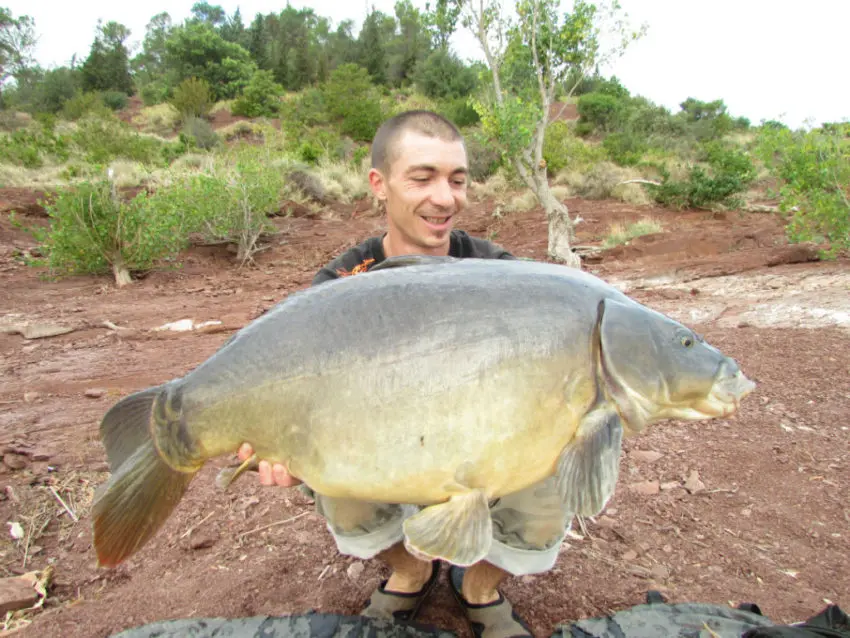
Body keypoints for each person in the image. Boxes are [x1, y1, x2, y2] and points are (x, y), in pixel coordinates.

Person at [237, 110, 574, 638]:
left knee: (564, 453)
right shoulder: (338, 285)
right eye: (423, 178)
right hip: (386, 447)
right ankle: (411, 570)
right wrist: (275, 443)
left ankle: (477, 585)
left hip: (481, 446)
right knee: (327, 469)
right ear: (380, 184)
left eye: (457, 180)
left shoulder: (500, 273)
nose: (445, 198)